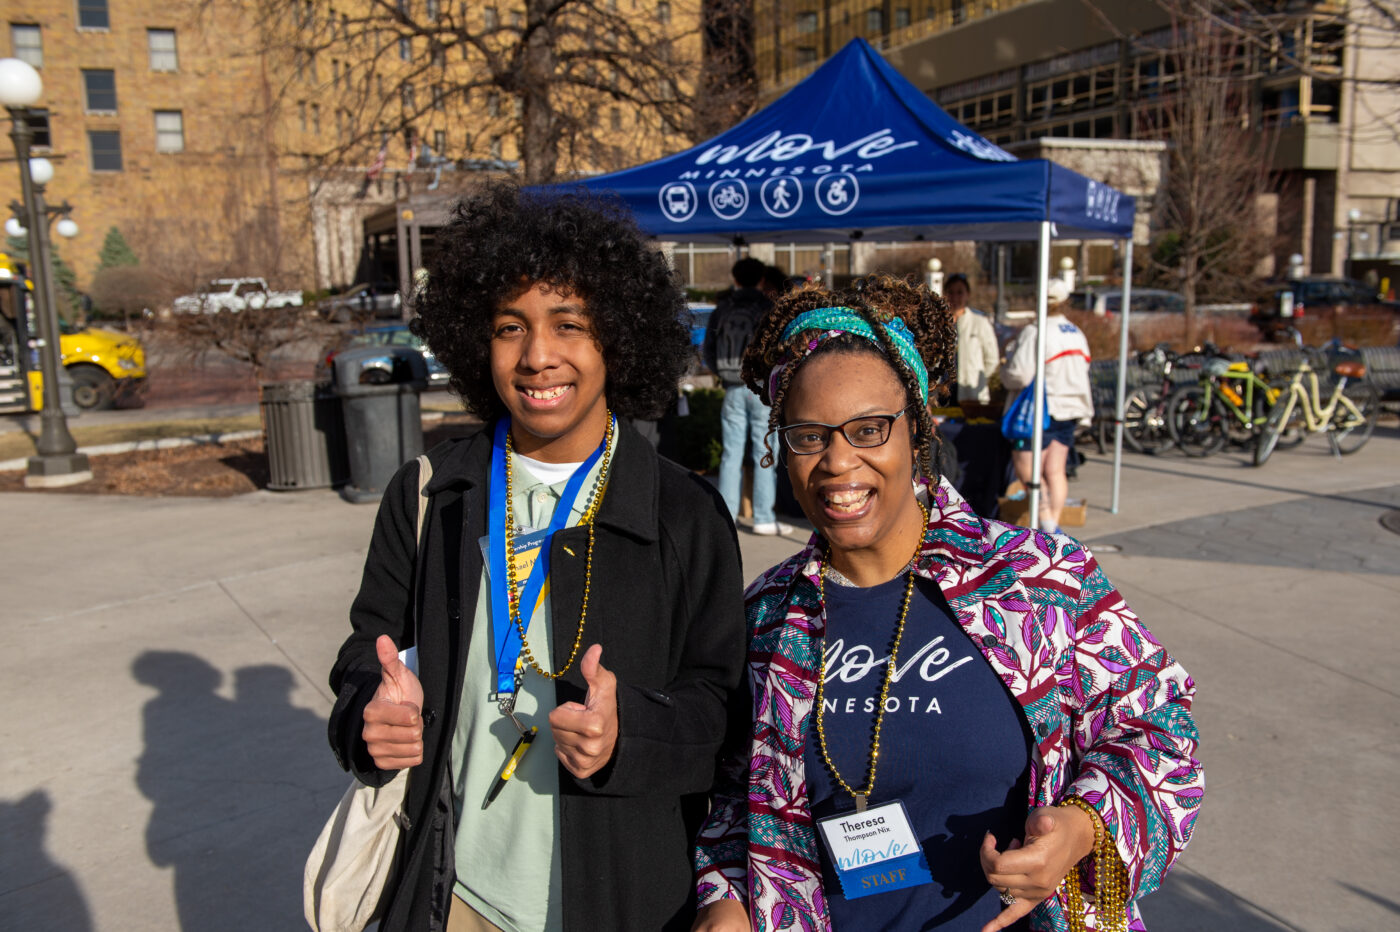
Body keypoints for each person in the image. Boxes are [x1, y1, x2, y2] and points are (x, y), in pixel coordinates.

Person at [692, 275, 1201, 932]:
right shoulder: (766, 618)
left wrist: (1082, 827)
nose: (838, 462)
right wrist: (727, 897)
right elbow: (734, 798)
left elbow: (1160, 731)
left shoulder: (1040, 580)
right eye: (810, 435)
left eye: (869, 429)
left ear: (919, 429)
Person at [327, 183, 748, 932]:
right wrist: (369, 715)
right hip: (453, 895)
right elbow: (367, 654)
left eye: (569, 325)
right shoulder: (430, 494)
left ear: (616, 338)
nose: (537, 356)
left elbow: (720, 713)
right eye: (509, 327)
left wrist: (629, 733)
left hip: (622, 899)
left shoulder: (684, 514)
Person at [703, 257, 791, 536]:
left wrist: (722, 373)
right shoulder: (767, 307)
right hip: (762, 389)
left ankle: (727, 515)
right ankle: (764, 517)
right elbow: (782, 349)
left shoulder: (723, 308)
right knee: (765, 452)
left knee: (731, 454)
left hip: (731, 386)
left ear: (735, 278)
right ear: (761, 279)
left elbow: (709, 348)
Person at [999, 279, 1093, 534]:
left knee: (1028, 471)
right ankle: (1053, 526)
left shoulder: (1036, 331)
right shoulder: (1075, 332)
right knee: (1056, 471)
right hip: (1071, 409)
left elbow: (1018, 374)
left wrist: (1004, 370)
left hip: (1041, 411)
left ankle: (1048, 525)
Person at [945, 273, 1000, 406]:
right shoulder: (937, 324)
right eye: (951, 292)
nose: (955, 297)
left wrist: (978, 379)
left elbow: (992, 359)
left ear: (967, 294)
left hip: (971, 391)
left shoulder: (979, 322)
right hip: (944, 391)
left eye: (960, 292)